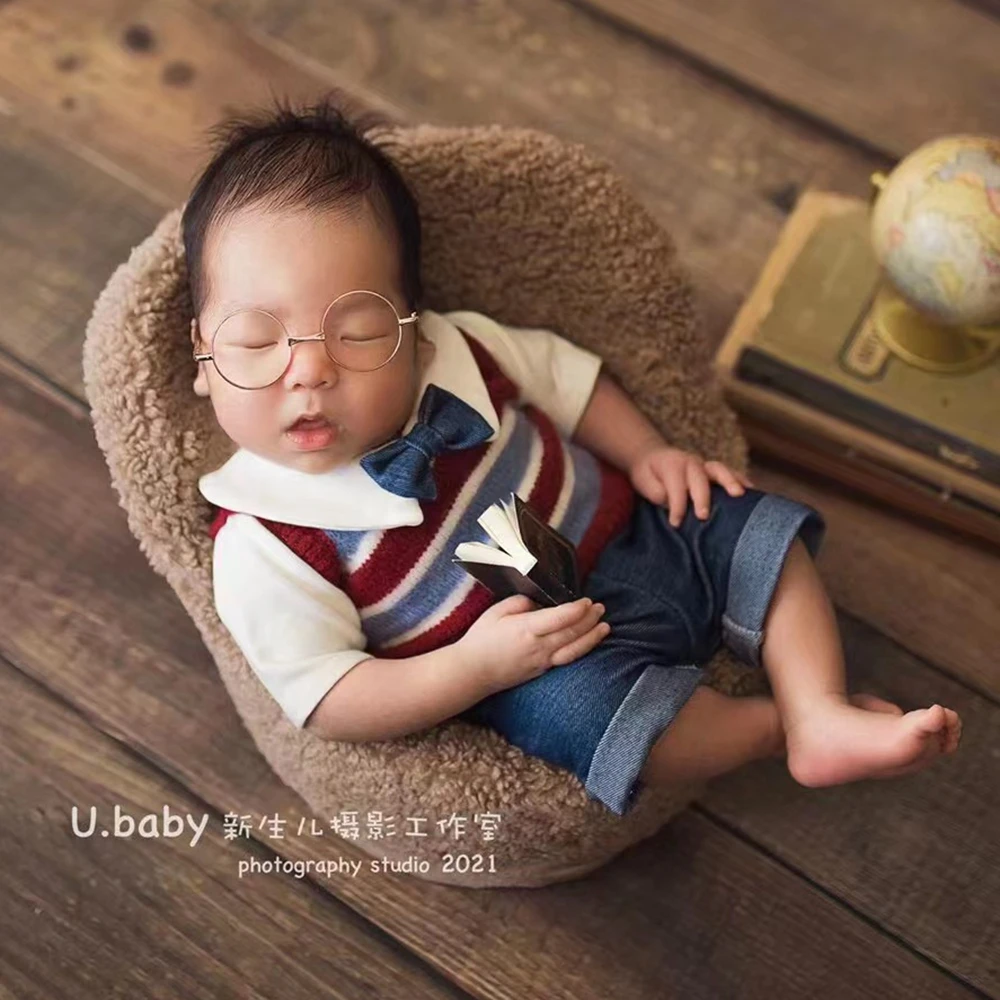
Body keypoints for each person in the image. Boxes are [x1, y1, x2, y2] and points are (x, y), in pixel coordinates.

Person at [185, 93, 961, 817]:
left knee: (752, 528)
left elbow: (568, 381)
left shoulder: (456, 352)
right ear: (201, 353)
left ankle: (819, 706)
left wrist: (651, 453)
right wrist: (472, 670)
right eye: (256, 341)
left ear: (413, 326)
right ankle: (775, 730)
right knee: (602, 726)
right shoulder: (263, 537)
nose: (310, 370)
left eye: (358, 333)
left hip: (640, 530)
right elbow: (328, 697)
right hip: (544, 658)